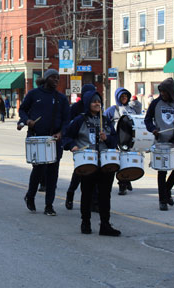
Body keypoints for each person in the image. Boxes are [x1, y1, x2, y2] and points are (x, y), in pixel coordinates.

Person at [63, 90, 121, 236]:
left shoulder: (106, 120)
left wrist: (106, 138)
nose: (97, 104)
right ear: (88, 103)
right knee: (86, 194)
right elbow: (66, 136)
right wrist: (72, 146)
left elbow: (115, 141)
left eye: (99, 101)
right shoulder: (79, 120)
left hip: (105, 164)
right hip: (88, 163)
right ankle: (85, 223)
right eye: (94, 101)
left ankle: (105, 225)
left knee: (105, 195)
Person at [18, 69, 70, 216]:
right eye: (53, 77)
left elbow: (67, 120)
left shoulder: (61, 98)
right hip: (37, 137)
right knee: (38, 171)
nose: (56, 80)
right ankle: (30, 196)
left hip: (54, 140)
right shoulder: (34, 94)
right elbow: (22, 110)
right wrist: (27, 121)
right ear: (46, 78)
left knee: (53, 174)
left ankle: (49, 205)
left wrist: (61, 133)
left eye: (58, 78)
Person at [144, 78, 174, 211]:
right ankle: (162, 200)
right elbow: (147, 119)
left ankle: (166, 191)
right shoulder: (156, 103)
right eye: (160, 92)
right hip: (161, 141)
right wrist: (152, 129)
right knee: (162, 171)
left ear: (170, 92)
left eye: (164, 92)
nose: (162, 95)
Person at [65, 83, 96, 210]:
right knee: (80, 171)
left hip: (94, 144)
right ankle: (71, 193)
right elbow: (68, 126)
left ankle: (93, 202)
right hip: (80, 144)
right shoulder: (76, 108)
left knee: (94, 172)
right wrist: (72, 145)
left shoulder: (96, 107)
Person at [105, 87, 139, 195]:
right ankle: (122, 184)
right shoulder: (112, 109)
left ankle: (126, 180)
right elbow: (104, 121)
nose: (124, 98)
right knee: (119, 162)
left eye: (126, 96)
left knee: (127, 162)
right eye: (122, 96)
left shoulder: (132, 109)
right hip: (117, 139)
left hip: (130, 140)